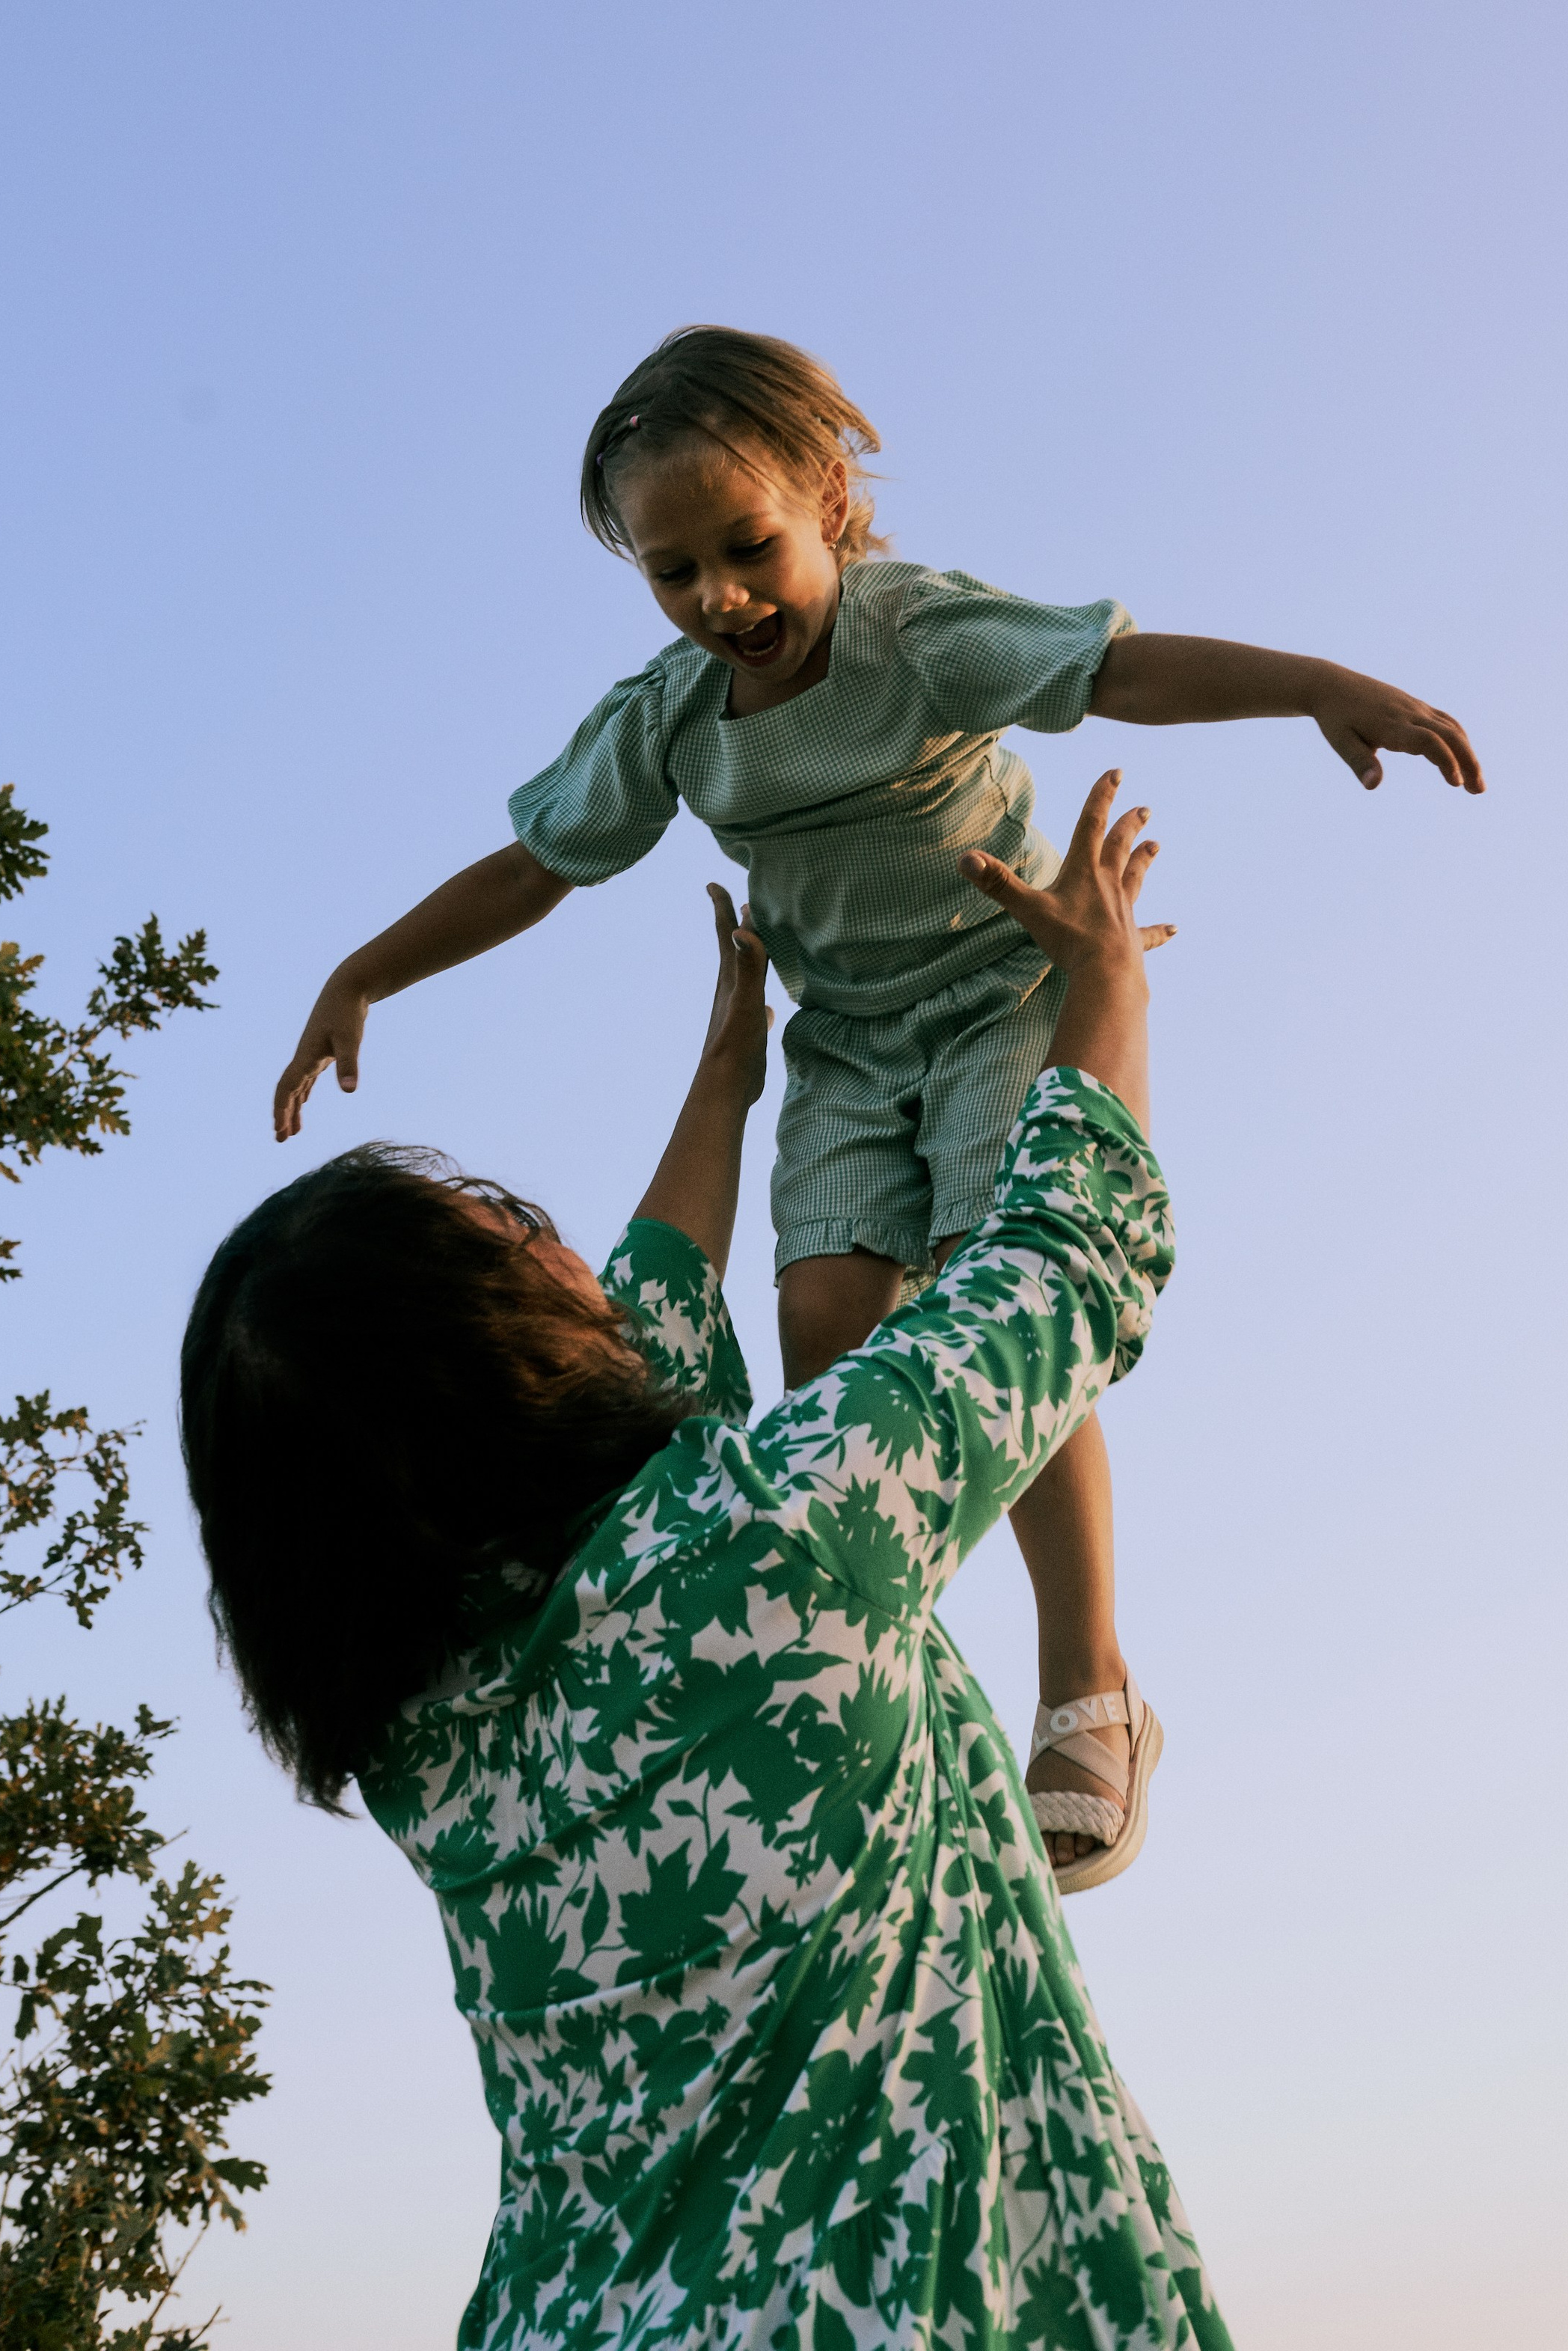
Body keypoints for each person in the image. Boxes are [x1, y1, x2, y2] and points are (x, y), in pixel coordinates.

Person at [272, 325, 1483, 1887]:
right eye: (672, 571)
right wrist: (368, 968)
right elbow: (537, 866)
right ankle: (880, 1681)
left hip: (1001, 989)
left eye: (746, 547)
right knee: (825, 1328)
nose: (720, 597)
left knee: (999, 1305)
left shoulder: (920, 635)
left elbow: (1114, 668)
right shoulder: (671, 719)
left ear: (828, 501)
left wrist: (1317, 685)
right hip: (844, 1038)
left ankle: (1088, 1683)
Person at [188, 774, 1234, 2349]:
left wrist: (730, 1078)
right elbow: (1053, 1263)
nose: (549, 1238)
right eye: (501, 1226)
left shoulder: (422, 1735)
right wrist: (1101, 983)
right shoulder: (774, 1536)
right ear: (502, 1351)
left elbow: (643, 1321)